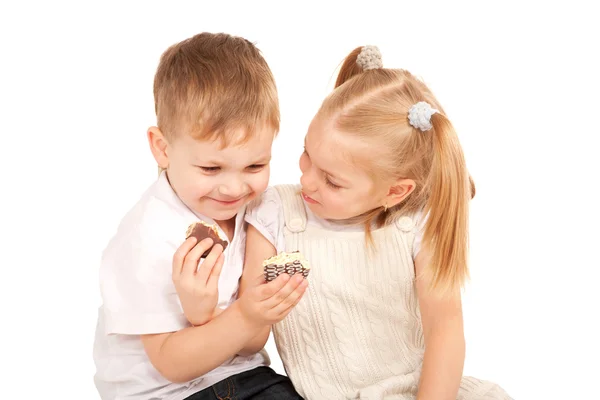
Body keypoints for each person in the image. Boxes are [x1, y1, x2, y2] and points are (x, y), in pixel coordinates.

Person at [243, 45, 512, 399]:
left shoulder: (415, 224)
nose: (307, 180)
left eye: (333, 180)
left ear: (394, 192)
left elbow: (444, 330)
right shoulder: (276, 213)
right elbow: (249, 338)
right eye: (307, 153)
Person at [93, 32, 306, 400]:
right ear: (162, 148)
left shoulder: (259, 210)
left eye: (255, 164)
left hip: (245, 376)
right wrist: (242, 315)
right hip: (164, 392)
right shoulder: (148, 236)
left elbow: (251, 340)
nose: (233, 189)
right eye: (211, 168)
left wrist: (236, 314)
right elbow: (171, 364)